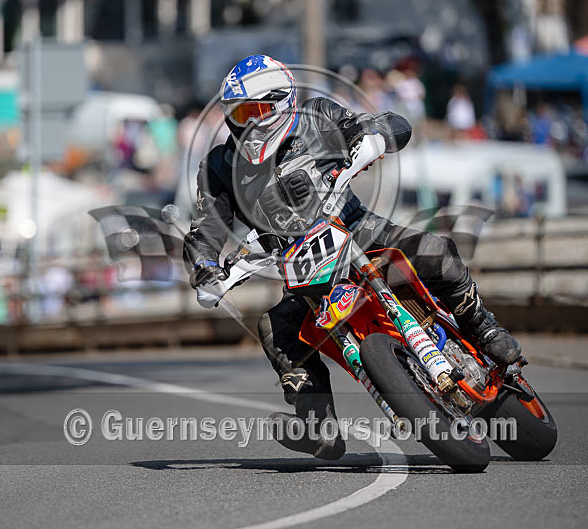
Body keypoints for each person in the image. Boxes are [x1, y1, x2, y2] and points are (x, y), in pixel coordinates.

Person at [183, 55, 521, 460]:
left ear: (281, 102)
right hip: (300, 267)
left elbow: (387, 124)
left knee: (436, 251)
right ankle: (319, 426)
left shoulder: (316, 118)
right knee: (277, 329)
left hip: (358, 229)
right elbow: (207, 228)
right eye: (239, 114)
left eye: (257, 110)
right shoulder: (220, 165)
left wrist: (374, 140)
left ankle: (482, 328)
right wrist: (205, 268)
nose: (248, 122)